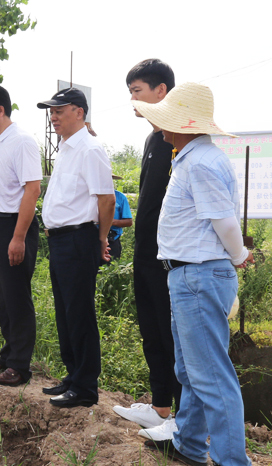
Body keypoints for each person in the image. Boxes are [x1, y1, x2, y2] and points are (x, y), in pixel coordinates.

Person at [132, 82, 255, 466]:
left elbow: (224, 221)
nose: (161, 126)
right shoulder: (191, 158)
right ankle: (188, 442)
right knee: (190, 370)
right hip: (188, 275)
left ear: (181, 124)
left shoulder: (200, 162)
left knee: (211, 375)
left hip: (199, 275)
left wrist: (238, 254)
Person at [112, 59, 182, 440]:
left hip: (170, 256)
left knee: (172, 335)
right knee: (151, 330)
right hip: (144, 252)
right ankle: (160, 408)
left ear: (161, 91)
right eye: (130, 93)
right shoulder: (153, 140)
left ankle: (183, 419)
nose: (133, 100)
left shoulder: (179, 140)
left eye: (137, 91)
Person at [36, 88, 115, 408]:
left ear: (79, 112)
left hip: (79, 239)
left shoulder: (90, 149)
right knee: (65, 312)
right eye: (51, 112)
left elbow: (106, 199)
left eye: (59, 111)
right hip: (60, 240)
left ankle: (85, 387)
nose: (53, 117)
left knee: (79, 313)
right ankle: (73, 375)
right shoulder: (67, 148)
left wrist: (101, 238)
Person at [0, 84, 42, 386]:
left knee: (16, 296)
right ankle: (9, 353)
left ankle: (20, 366)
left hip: (14, 226)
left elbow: (32, 190)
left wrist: (18, 237)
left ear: (0, 110)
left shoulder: (21, 141)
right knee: (2, 296)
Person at [106, 187, 133, 263]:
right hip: (91, 238)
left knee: (110, 266)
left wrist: (107, 221)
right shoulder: (90, 196)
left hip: (112, 239)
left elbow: (129, 222)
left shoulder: (120, 197)